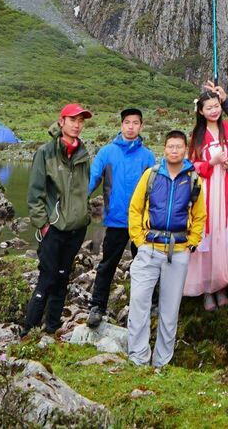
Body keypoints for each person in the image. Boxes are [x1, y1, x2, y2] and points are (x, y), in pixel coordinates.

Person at [127, 130, 206, 369]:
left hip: (178, 250)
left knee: (169, 311)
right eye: (170, 146)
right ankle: (138, 358)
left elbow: (200, 215)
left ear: (185, 150)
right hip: (149, 248)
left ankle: (162, 362)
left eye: (179, 147)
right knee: (139, 304)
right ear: (164, 149)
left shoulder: (193, 179)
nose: (174, 151)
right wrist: (139, 240)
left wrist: (192, 243)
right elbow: (135, 208)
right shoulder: (151, 175)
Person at [22, 103, 93, 338]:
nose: (77, 124)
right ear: (61, 121)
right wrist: (43, 224)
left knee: (63, 276)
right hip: (54, 228)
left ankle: (51, 329)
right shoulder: (46, 152)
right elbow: (35, 193)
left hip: (77, 228)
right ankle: (28, 330)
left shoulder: (83, 153)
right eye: (73, 119)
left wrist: (84, 214)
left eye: (81, 121)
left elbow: (85, 188)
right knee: (47, 277)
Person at [87, 107, 156, 328]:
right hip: (115, 220)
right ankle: (97, 307)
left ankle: (148, 306)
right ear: (121, 125)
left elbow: (156, 189)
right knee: (107, 264)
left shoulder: (147, 156)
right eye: (127, 122)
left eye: (135, 123)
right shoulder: (107, 152)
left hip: (141, 223)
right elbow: (92, 179)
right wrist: (75, 203)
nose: (131, 126)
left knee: (144, 266)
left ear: (141, 126)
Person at [183, 90, 228, 310]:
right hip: (208, 189)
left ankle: (224, 283)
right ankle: (207, 287)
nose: (214, 111)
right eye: (208, 108)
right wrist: (211, 161)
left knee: (227, 231)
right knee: (208, 231)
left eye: (216, 106)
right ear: (201, 111)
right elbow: (191, 165)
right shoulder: (197, 136)